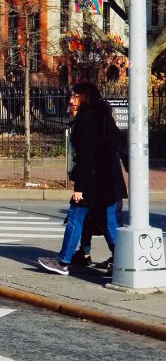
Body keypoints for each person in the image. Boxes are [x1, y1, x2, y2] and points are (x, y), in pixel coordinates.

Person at [39, 82, 127, 276]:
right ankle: (122, 262)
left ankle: (63, 261)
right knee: (108, 221)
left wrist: (79, 186)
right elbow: (117, 144)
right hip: (108, 181)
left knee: (75, 218)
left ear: (85, 96)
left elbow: (86, 155)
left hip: (92, 181)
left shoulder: (85, 121)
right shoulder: (103, 117)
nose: (71, 100)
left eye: (75, 96)